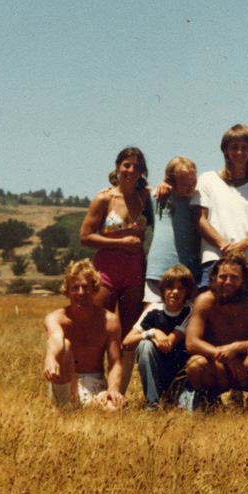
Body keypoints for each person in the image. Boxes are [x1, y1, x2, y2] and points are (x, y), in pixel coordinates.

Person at [80, 147, 153, 394]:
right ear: (118, 167)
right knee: (97, 331)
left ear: (142, 171)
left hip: (135, 273)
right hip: (106, 272)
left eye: (136, 167)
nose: (131, 170)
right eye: (126, 165)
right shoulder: (105, 198)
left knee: (128, 336)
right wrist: (120, 243)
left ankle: (117, 392)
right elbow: (85, 236)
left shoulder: (146, 198)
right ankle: (90, 388)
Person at [193, 124, 248, 290]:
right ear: (225, 150)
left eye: (245, 147)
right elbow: (199, 219)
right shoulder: (207, 179)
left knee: (245, 305)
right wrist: (224, 246)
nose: (239, 152)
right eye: (234, 147)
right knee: (208, 303)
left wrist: (242, 245)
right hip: (214, 258)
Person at [184, 254, 248, 404]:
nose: (228, 282)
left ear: (244, 279)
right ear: (214, 277)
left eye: (234, 277)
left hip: (245, 368)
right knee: (196, 364)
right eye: (223, 277)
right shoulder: (205, 300)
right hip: (218, 366)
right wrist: (225, 355)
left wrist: (236, 348)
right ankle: (211, 400)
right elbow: (191, 343)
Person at [42, 260, 126, 411]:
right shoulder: (55, 318)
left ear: (94, 290)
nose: (81, 292)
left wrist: (113, 389)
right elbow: (56, 339)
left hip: (96, 383)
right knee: (65, 345)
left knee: (114, 409)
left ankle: (83, 406)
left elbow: (115, 363)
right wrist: (51, 358)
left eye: (86, 287)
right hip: (67, 381)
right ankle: (65, 409)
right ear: (67, 292)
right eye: (75, 288)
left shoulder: (110, 321)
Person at [123, 265, 194, 408]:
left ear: (187, 291)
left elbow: (168, 344)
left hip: (181, 376)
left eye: (180, 288)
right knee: (144, 345)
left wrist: (155, 338)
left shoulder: (189, 311)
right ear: (162, 290)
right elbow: (126, 343)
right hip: (157, 373)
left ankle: (176, 396)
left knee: (189, 409)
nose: (175, 292)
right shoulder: (153, 309)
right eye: (170, 287)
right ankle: (152, 405)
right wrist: (151, 332)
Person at [144, 157, 201, 303]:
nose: (191, 187)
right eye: (184, 184)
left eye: (193, 182)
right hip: (158, 271)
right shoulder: (156, 196)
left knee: (187, 315)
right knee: (151, 313)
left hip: (189, 274)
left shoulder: (199, 200)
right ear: (170, 182)